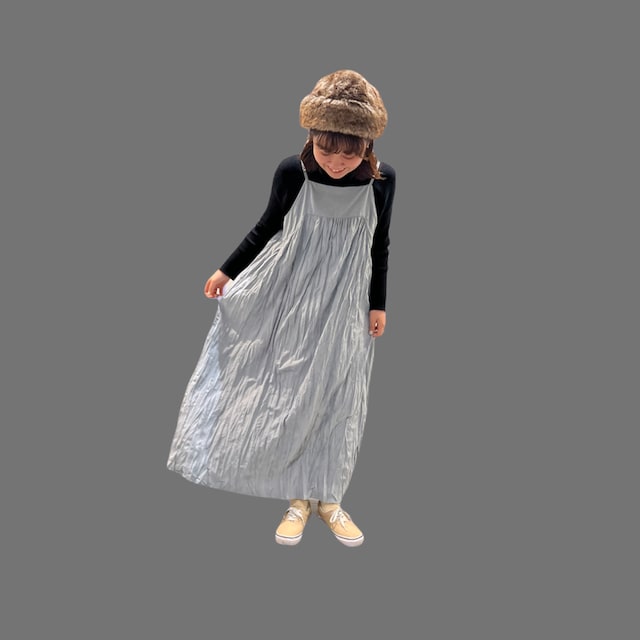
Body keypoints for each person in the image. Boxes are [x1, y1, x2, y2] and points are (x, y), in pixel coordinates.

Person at [167, 69, 396, 547]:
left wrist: (378, 303)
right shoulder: (293, 172)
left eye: (349, 152)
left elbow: (380, 244)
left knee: (338, 394)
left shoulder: (382, 181)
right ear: (311, 137)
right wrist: (227, 271)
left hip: (346, 302)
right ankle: (297, 500)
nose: (336, 162)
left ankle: (329, 499)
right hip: (291, 296)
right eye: (326, 149)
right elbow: (267, 225)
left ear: (367, 147)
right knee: (292, 392)